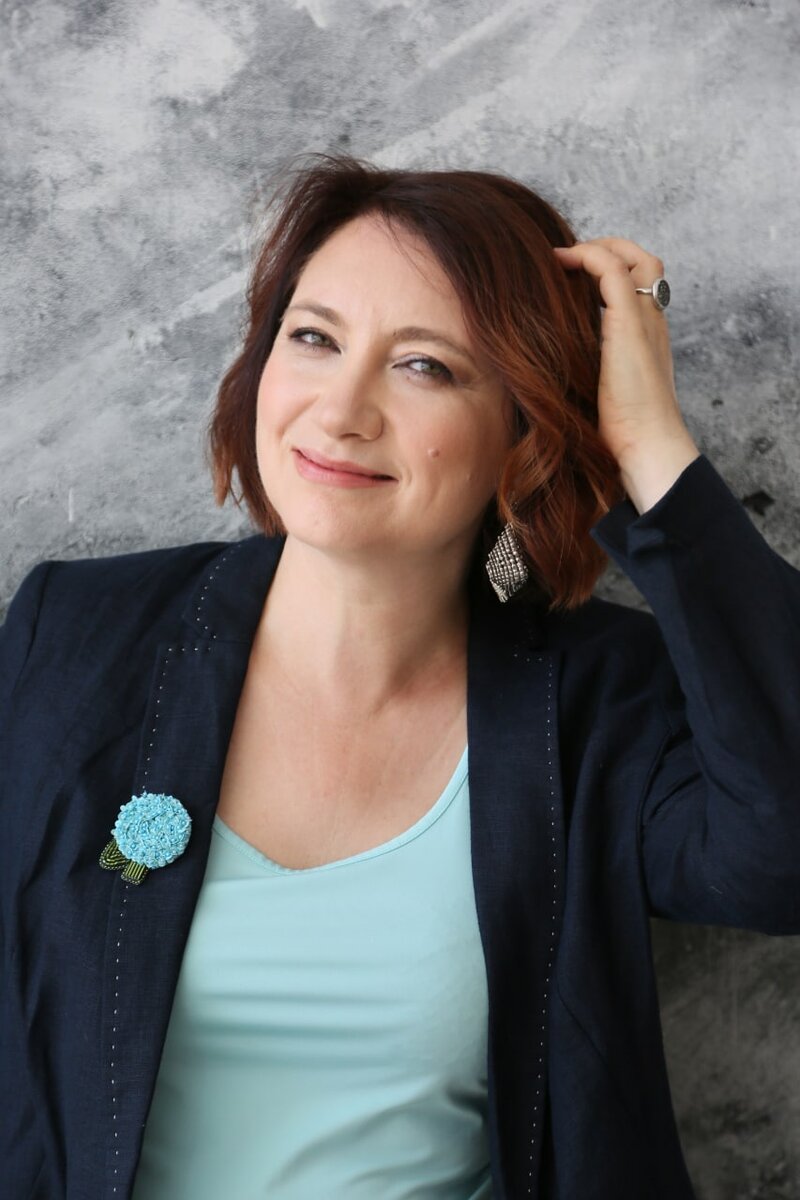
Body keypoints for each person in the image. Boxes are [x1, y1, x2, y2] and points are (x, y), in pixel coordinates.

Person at [1, 153, 798, 1200]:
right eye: (314, 338)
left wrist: (652, 449)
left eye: (424, 366)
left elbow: (780, 860)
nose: (341, 410)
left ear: (522, 428)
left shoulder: (600, 701)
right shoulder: (75, 633)